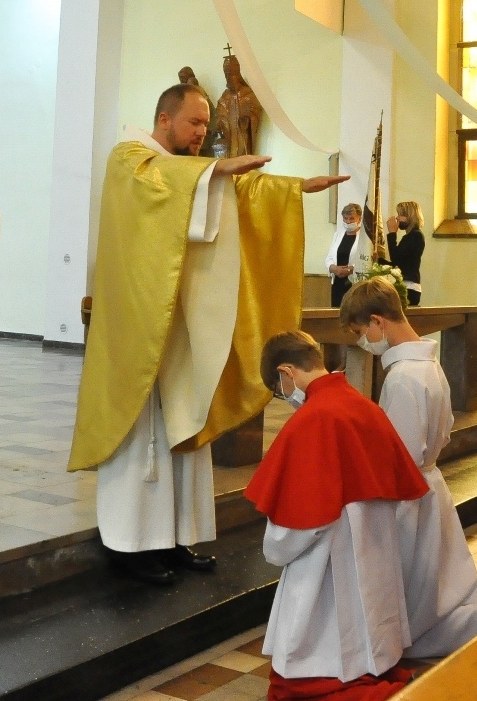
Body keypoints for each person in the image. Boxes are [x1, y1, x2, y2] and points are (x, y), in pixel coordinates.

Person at [67, 83, 345, 587]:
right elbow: (169, 185)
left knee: (186, 423)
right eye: (195, 123)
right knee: (144, 435)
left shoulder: (187, 171)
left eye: (205, 125)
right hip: (139, 327)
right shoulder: (129, 158)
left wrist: (293, 189)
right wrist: (215, 169)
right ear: (164, 119)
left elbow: (234, 194)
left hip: (180, 327)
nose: (202, 133)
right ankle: (129, 545)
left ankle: (175, 538)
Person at [340, 278, 477, 658]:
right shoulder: (427, 365)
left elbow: (402, 455)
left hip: (410, 494)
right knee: (440, 586)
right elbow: (443, 429)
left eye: (361, 332)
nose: (363, 342)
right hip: (429, 483)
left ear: (377, 321)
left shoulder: (404, 376)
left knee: (419, 606)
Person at [247, 331, 429, 701]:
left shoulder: (313, 420)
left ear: (286, 372)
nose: (285, 396)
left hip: (329, 558)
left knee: (302, 682)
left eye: (279, 389)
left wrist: (274, 548)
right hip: (374, 545)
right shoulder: (363, 405)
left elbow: (300, 522)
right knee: (364, 645)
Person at [384, 201, 425, 305]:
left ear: (410, 217)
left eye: (401, 215)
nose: (397, 218)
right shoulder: (409, 236)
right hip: (405, 284)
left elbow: (396, 259)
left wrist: (392, 233)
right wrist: (378, 260)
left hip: (409, 287)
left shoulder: (415, 235)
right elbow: (400, 263)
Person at [327, 203, 364, 307]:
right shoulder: (338, 235)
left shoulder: (364, 237)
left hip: (354, 283)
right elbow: (329, 257)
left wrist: (350, 269)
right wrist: (333, 268)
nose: (348, 222)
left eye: (351, 219)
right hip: (337, 283)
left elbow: (366, 260)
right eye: (345, 218)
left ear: (359, 219)